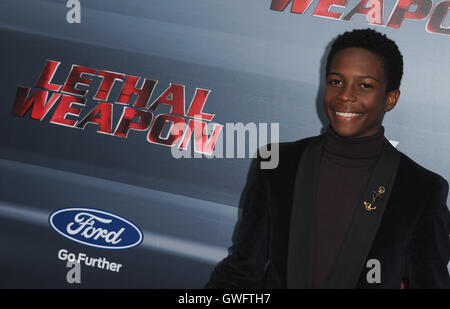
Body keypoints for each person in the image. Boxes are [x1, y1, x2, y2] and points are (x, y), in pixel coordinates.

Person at [204, 28, 450, 289]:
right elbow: (243, 270)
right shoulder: (276, 163)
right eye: (336, 81)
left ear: (390, 99)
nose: (345, 95)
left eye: (365, 85)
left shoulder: (421, 189)